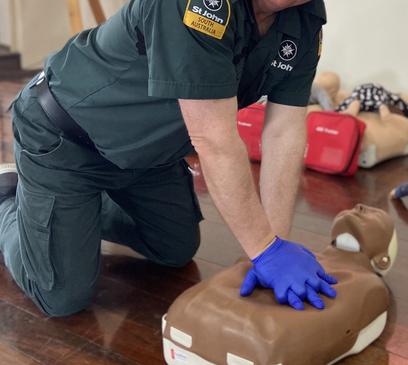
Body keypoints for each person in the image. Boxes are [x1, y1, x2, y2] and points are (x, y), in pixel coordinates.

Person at [0, 0, 336, 317]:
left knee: (174, 249)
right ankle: (7, 201)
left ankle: (63, 214)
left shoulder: (305, 18)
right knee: (61, 297)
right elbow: (214, 139)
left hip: (147, 154)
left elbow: (284, 131)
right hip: (67, 138)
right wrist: (264, 249)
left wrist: (274, 244)